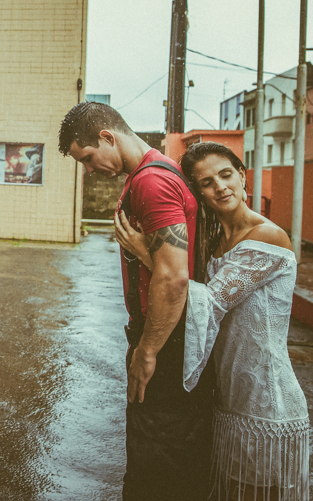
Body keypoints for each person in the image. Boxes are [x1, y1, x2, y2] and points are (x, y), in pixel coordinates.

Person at [115, 141, 310, 501]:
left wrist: (147, 252)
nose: (220, 186)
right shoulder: (216, 240)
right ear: (198, 193)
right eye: (206, 182)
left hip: (264, 399)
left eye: (226, 175)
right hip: (227, 396)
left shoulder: (267, 236)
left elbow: (209, 302)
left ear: (242, 175)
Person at [58, 102, 213, 500]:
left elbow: (174, 277)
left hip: (168, 337)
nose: (88, 170)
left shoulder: (151, 181)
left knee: (158, 460)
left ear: (107, 137)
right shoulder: (154, 171)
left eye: (87, 157)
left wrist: (148, 350)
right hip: (171, 333)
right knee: (164, 454)